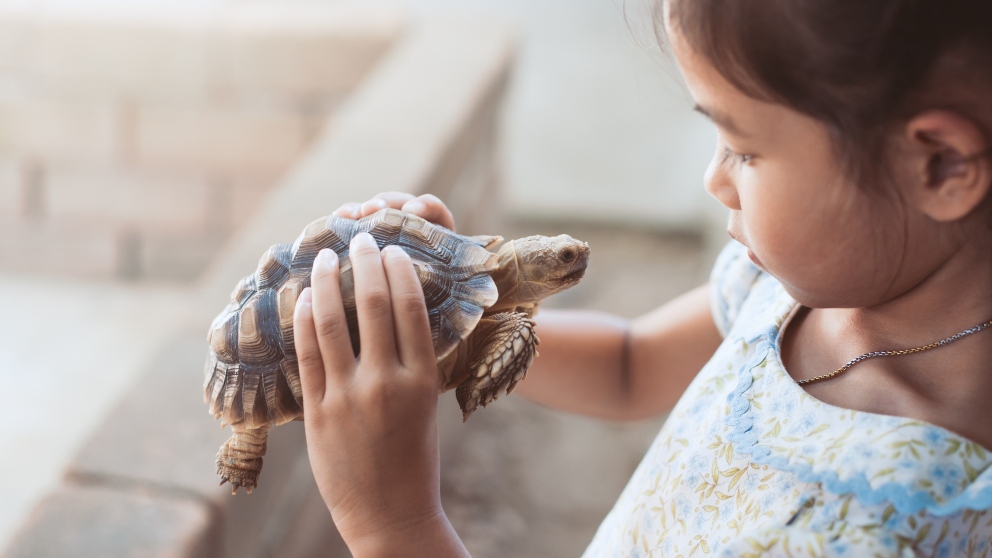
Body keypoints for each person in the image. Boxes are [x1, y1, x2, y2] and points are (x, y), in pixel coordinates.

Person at [291, 1, 992, 555]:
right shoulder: (790, 292)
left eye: (744, 149)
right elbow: (632, 363)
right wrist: (463, 312)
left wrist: (395, 526)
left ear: (942, 166)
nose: (714, 179)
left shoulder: (870, 528)